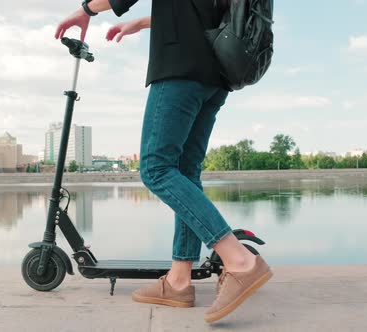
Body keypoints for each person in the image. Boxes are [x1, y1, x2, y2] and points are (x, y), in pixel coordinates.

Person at [55, 0, 273, 323]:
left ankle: (239, 260)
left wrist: (86, 9)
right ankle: (179, 281)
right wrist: (144, 24)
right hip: (215, 78)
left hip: (180, 69)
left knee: (156, 168)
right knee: (185, 172)